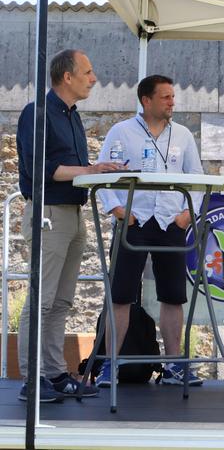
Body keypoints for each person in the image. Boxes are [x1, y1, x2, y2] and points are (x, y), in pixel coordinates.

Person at [15, 49, 123, 402]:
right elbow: (41, 170)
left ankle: (55, 373)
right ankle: (33, 381)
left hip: (72, 215)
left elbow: (72, 168)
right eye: (88, 72)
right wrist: (91, 171)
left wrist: (98, 170)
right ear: (67, 77)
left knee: (61, 302)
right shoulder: (38, 113)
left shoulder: (73, 116)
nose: (93, 79)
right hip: (48, 213)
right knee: (41, 300)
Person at [95, 75, 204, 388]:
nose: (172, 102)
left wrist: (189, 214)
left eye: (173, 96)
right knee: (121, 296)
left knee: (173, 296)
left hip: (171, 221)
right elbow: (105, 174)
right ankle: (110, 366)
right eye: (166, 97)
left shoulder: (182, 134)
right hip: (135, 220)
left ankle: (174, 366)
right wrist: (117, 210)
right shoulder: (121, 131)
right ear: (146, 100)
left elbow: (197, 177)